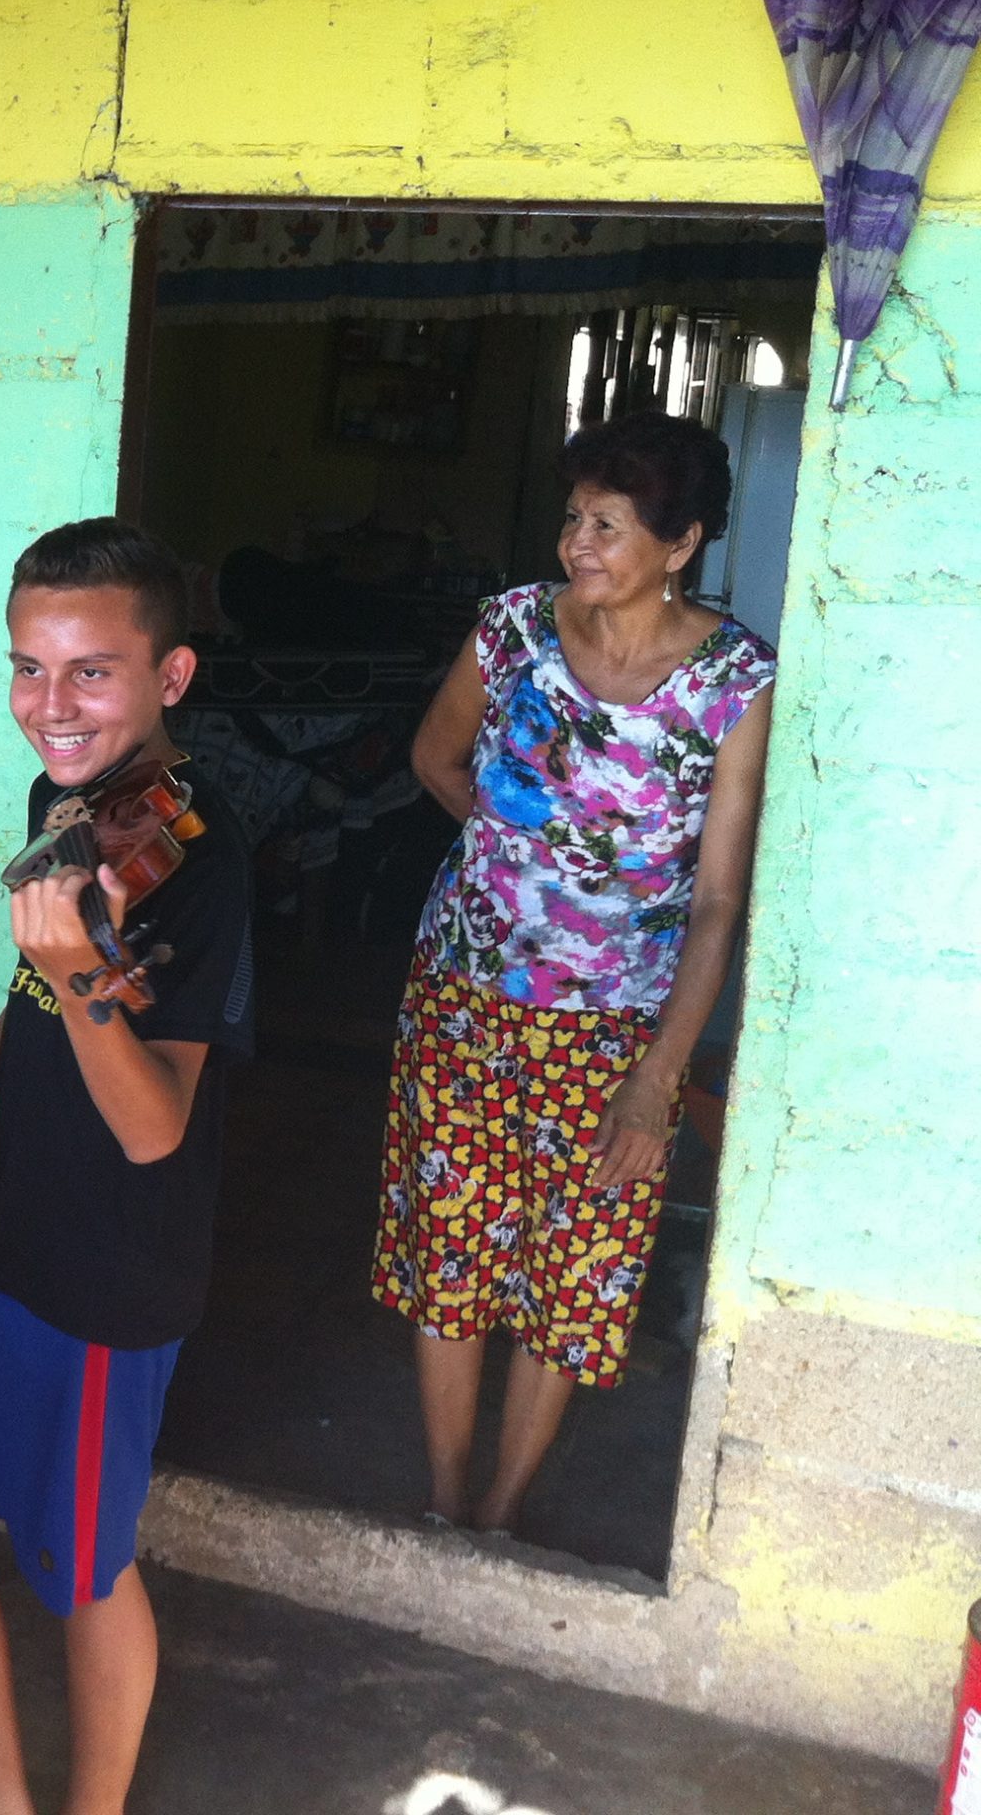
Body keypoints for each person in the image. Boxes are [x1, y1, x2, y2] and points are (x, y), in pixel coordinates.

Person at [0, 519, 256, 1814]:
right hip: (5, 1232)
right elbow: (34, 999)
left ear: (169, 678)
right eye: (30, 667)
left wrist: (85, 965)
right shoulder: (65, 806)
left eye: (91, 673)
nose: (50, 706)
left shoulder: (203, 861)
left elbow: (152, 1126)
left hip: (100, 1279)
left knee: (82, 1572)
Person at [372, 408, 775, 1537]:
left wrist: (659, 1076)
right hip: (464, 997)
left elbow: (716, 900)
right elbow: (431, 755)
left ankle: (500, 1508)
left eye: (607, 523)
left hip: (620, 1032)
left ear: (679, 541)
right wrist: (529, 867)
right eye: (571, 518)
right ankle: (445, 1499)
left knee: (573, 1262)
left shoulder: (733, 680)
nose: (576, 542)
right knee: (452, 1245)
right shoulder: (510, 631)